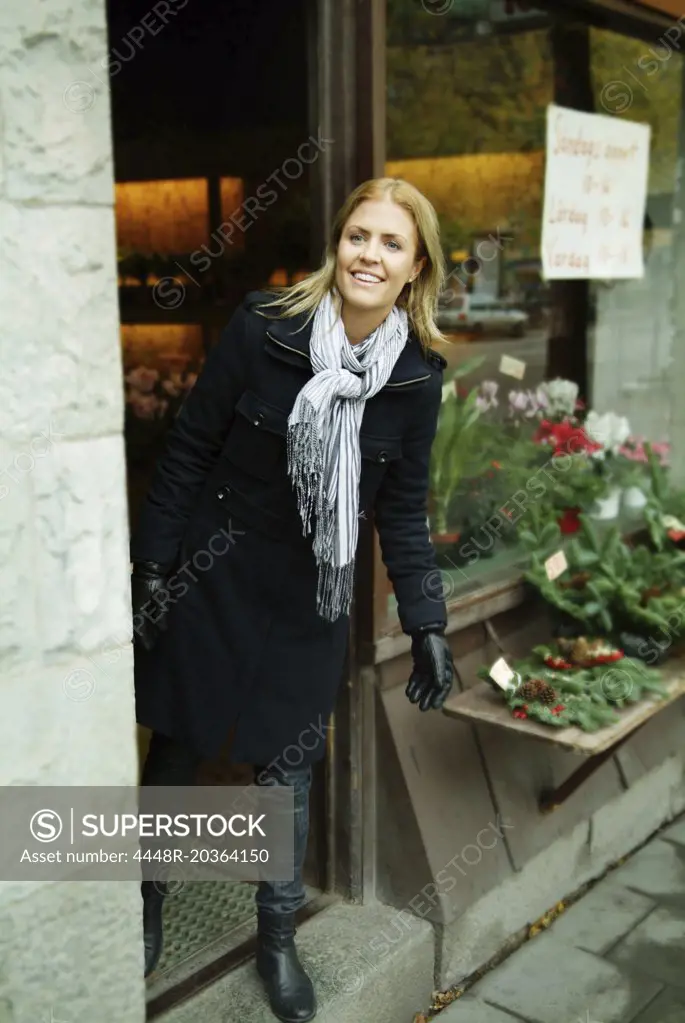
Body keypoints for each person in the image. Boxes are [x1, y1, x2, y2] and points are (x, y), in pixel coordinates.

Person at [130, 176, 456, 1023]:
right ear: (336, 245)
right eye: (358, 236)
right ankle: (145, 901)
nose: (369, 255)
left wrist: (425, 621)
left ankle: (277, 939)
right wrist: (154, 567)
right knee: (179, 742)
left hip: (313, 593)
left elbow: (403, 509)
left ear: (416, 266)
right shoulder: (263, 326)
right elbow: (187, 451)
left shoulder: (417, 379)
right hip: (217, 573)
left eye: (391, 243)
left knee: (287, 767)